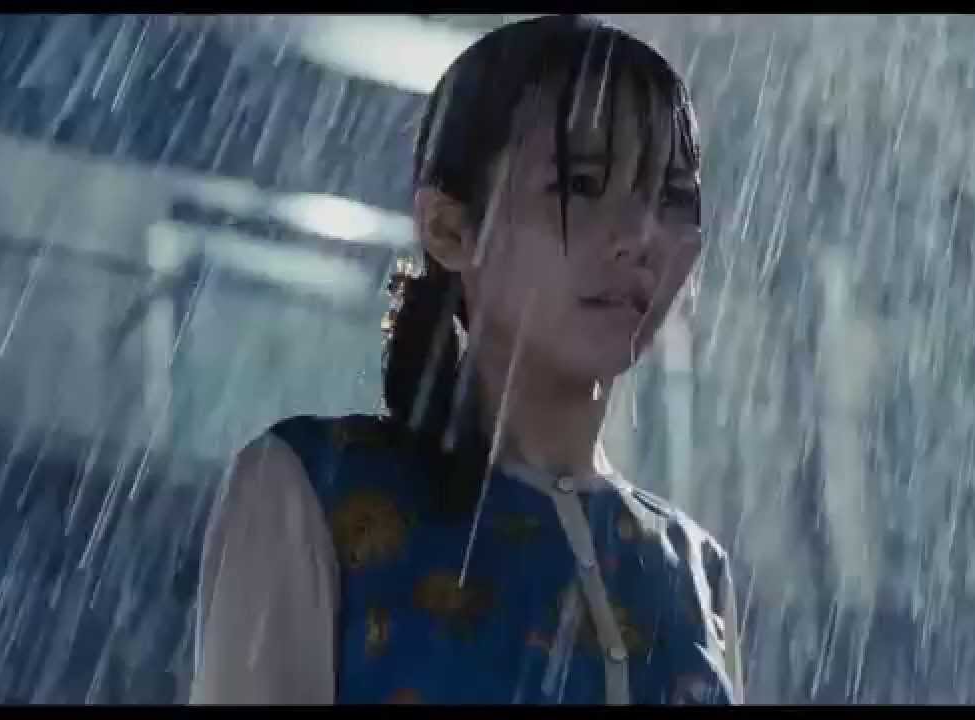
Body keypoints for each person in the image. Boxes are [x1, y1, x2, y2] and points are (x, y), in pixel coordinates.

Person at [190, 14, 743, 705]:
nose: (642, 235)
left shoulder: (697, 570)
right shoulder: (311, 489)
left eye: (674, 197)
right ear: (449, 229)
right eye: (581, 184)